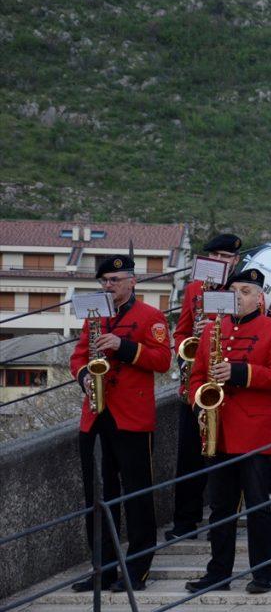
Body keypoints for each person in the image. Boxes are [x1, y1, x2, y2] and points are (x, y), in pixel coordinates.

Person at [184, 268, 271, 594]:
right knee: (220, 507)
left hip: (256, 432)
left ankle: (263, 574)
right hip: (219, 429)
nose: (239, 296)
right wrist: (197, 404)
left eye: (246, 291)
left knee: (257, 505)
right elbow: (197, 376)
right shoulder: (211, 331)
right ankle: (218, 573)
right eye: (234, 290)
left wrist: (239, 372)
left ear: (260, 297)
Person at [70, 254, 171, 593]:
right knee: (97, 497)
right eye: (105, 281)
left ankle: (137, 569)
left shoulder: (151, 316)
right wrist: (84, 375)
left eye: (115, 281)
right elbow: (79, 355)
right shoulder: (94, 315)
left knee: (137, 495)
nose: (108, 286)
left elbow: (162, 359)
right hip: (95, 415)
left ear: (132, 282)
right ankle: (103, 569)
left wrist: (123, 345)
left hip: (132, 417)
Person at [166, 233, 242, 542]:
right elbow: (180, 332)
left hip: (228, 383)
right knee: (189, 455)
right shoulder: (194, 289)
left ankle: (223, 523)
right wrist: (189, 341)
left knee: (225, 456)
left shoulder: (245, 289)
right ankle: (185, 520)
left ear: (236, 260)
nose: (222, 262)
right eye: (216, 257)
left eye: (227, 257)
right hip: (197, 383)